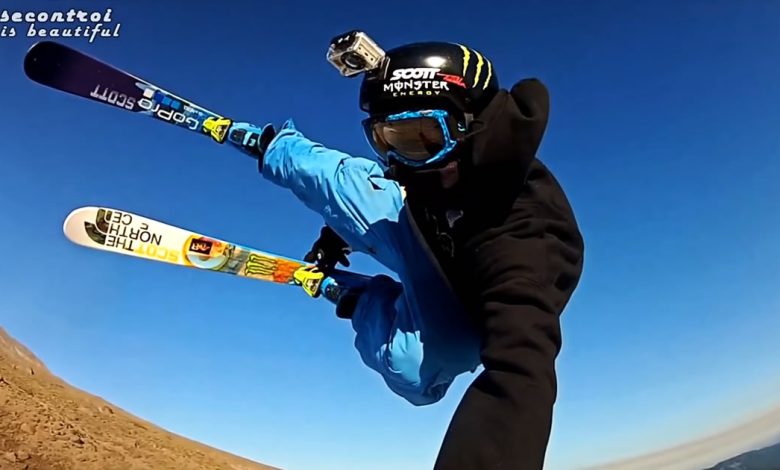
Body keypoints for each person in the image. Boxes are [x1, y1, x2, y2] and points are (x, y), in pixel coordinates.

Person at [226, 40, 585, 470]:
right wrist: (337, 234)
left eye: (421, 139)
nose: (401, 159)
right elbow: (403, 169)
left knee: (412, 372)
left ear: (471, 125)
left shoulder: (523, 240)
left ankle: (356, 297)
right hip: (419, 227)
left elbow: (521, 370)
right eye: (386, 139)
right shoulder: (435, 167)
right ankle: (263, 143)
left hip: (462, 302)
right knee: (331, 181)